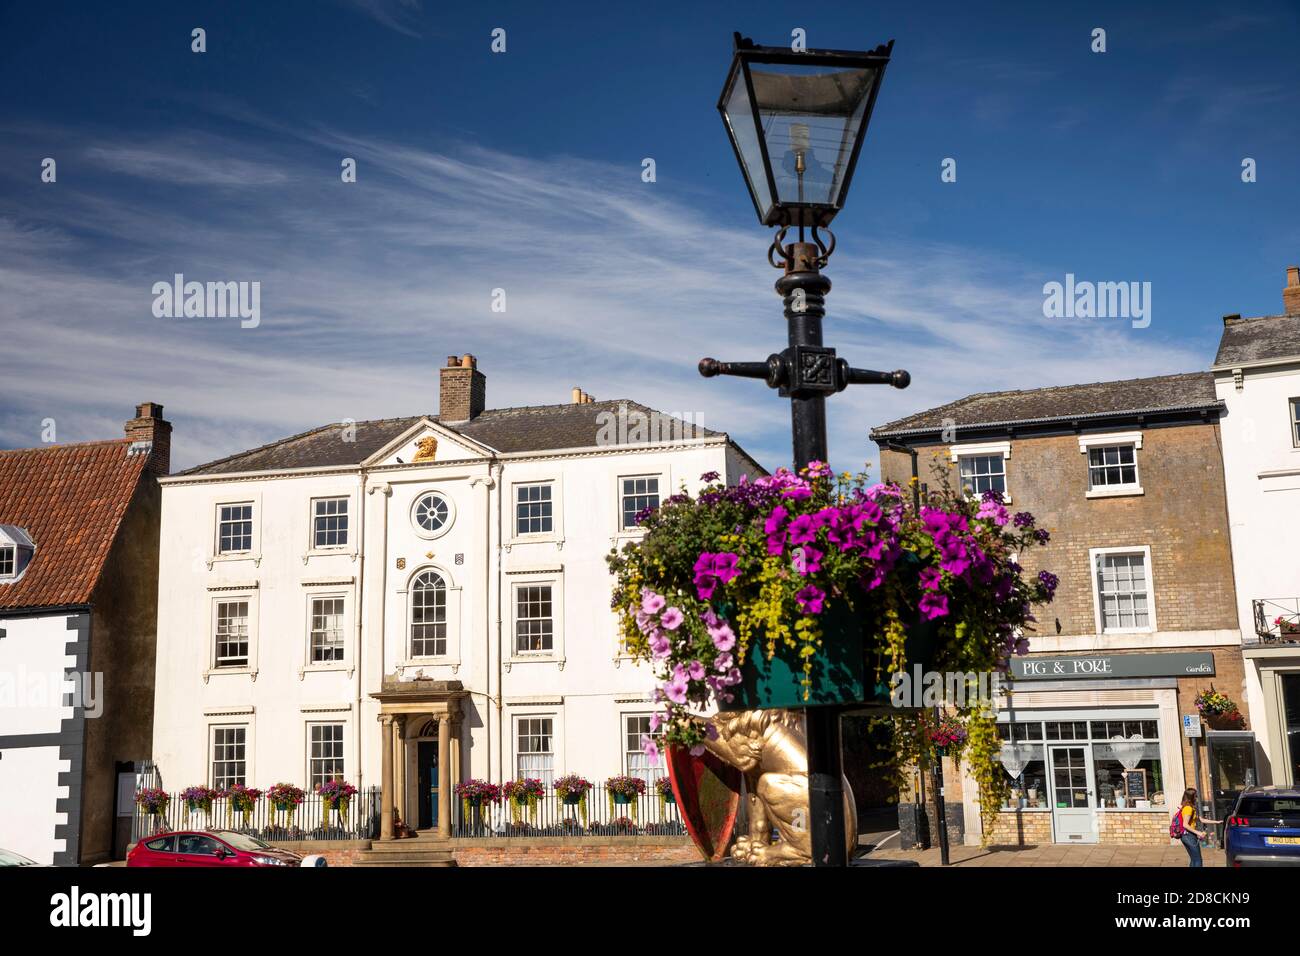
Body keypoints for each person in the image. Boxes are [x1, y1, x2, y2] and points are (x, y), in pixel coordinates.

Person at [1175, 788, 1221, 867]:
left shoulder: (1190, 807)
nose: (1196, 798)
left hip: (1188, 836)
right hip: (1188, 836)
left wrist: (1216, 822)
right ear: (1191, 797)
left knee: (1194, 859)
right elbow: (1185, 824)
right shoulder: (1188, 808)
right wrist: (1198, 832)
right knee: (1198, 860)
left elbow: (1201, 820)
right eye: (1195, 796)